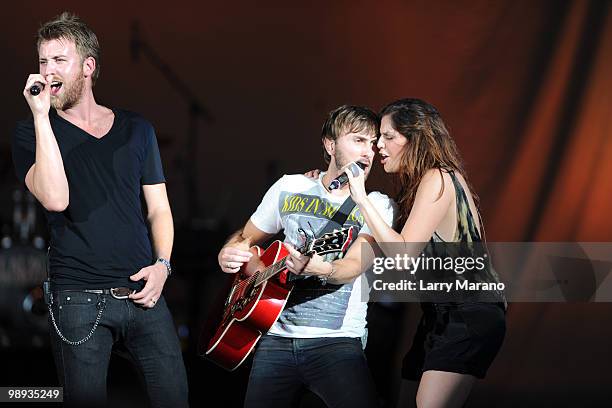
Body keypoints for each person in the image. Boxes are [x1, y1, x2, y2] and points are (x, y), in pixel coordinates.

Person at [11, 12, 188, 407]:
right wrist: (42, 117)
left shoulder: (137, 129)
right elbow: (56, 199)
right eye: (43, 61)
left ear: (88, 67)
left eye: (60, 61)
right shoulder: (30, 134)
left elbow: (159, 209)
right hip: (77, 298)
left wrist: (164, 265)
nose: (48, 71)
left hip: (144, 293)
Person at [295, 98, 506, 408]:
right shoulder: (421, 182)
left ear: (416, 138)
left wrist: (361, 199)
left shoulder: (440, 177)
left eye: (388, 137)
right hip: (439, 314)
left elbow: (402, 255)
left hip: (470, 310)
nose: (378, 145)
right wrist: (325, 185)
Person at [217, 105, 396, 408]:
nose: (368, 152)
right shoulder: (290, 186)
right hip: (274, 337)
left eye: (372, 143)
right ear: (330, 144)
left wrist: (319, 268)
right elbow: (245, 237)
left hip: (338, 342)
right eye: (357, 140)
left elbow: (353, 266)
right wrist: (229, 252)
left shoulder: (378, 204)